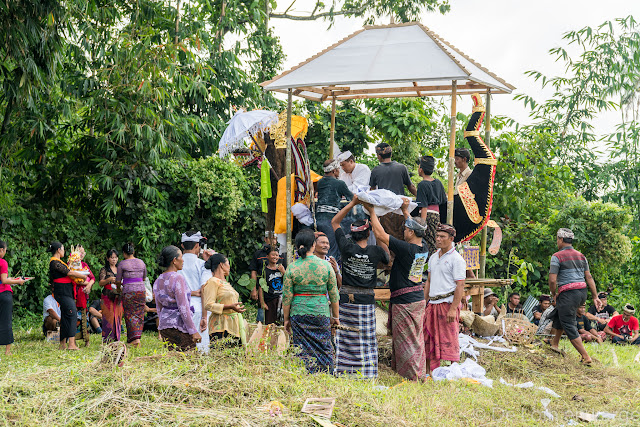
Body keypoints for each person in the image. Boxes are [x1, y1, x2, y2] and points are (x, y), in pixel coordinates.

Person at [362, 198, 428, 381]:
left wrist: (372, 212)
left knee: (407, 342)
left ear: (412, 232)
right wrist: (406, 210)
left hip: (406, 302)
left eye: (406, 229)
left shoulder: (407, 249)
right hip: (415, 298)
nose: (403, 230)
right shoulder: (424, 248)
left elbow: (382, 236)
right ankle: (414, 372)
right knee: (414, 339)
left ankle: (412, 376)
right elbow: (413, 226)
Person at [331, 198, 389, 378]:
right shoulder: (376, 251)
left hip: (346, 301)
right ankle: (367, 372)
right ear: (368, 233)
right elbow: (386, 254)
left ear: (352, 234)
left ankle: (344, 371)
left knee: (346, 338)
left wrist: (352, 203)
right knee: (366, 339)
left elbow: (334, 222)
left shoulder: (346, 247)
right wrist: (372, 213)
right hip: (365, 302)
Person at [283, 230, 339, 374]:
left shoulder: (292, 267)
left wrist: (286, 319)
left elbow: (287, 297)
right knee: (324, 347)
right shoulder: (326, 266)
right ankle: (327, 376)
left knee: (301, 349)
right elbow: (334, 294)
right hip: (321, 313)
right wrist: (336, 317)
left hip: (298, 313)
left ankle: (305, 377)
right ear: (313, 245)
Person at [547, 228, 602, 365]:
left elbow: (552, 280)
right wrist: (595, 296)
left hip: (568, 293)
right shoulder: (581, 256)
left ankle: (586, 357)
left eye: (557, 239)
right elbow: (588, 276)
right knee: (560, 312)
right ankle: (554, 345)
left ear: (560, 239)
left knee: (569, 324)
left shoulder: (557, 256)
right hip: (581, 292)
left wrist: (554, 294)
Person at [424, 224, 467, 376]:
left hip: (447, 303)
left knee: (450, 339)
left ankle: (454, 371)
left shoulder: (457, 259)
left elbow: (460, 285)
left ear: (451, 239)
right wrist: (425, 302)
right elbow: (428, 281)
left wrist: (454, 308)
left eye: (442, 237)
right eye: (437, 236)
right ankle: (429, 372)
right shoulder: (434, 257)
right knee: (428, 337)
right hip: (433, 303)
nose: (438, 239)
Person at [153, 246, 201, 352]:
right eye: (181, 257)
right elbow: (183, 307)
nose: (183, 260)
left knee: (173, 359)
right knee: (190, 359)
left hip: (165, 326)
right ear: (174, 260)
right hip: (178, 325)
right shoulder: (177, 278)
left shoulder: (158, 280)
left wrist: (162, 326)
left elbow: (159, 307)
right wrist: (193, 331)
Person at [369, 143, 417, 248]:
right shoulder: (401, 168)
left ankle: (387, 263)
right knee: (401, 239)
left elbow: (372, 192)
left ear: (379, 156)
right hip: (400, 210)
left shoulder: (376, 170)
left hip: (384, 211)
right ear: (391, 154)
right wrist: (421, 199)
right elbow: (411, 187)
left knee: (385, 240)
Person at [48, 241, 88, 350]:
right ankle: (71, 343)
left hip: (66, 291)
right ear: (58, 250)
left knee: (66, 316)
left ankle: (62, 344)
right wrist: (82, 276)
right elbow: (69, 273)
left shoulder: (59, 261)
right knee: (72, 314)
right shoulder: (54, 262)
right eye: (63, 249)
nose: (64, 251)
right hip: (62, 291)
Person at [201, 254, 247, 347]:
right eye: (228, 263)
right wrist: (230, 307)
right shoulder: (212, 281)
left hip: (233, 326)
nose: (229, 266)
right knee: (222, 356)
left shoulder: (226, 283)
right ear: (222, 265)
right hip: (220, 327)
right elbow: (208, 305)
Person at [179, 230, 213, 353]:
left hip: (179, 308)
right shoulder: (202, 265)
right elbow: (204, 289)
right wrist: (205, 316)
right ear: (197, 245)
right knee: (201, 348)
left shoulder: (175, 263)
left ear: (182, 245)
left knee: (183, 348)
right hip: (199, 308)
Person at [316, 158, 353, 260]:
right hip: (331, 221)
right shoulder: (340, 184)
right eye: (338, 169)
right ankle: (332, 273)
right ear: (334, 171)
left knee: (321, 249)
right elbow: (352, 198)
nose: (339, 171)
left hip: (318, 219)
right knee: (331, 251)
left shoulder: (320, 183)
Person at [116, 242, 148, 347]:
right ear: (133, 251)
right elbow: (144, 278)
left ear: (124, 253)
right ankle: (134, 338)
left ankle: (135, 340)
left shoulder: (122, 263)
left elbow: (118, 280)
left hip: (128, 291)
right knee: (139, 314)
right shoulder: (141, 262)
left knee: (129, 314)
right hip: (141, 291)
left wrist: (118, 289)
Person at [249, 233, 285, 324]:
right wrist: (253, 289)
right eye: (270, 238)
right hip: (265, 293)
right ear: (265, 239)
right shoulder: (258, 254)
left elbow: (287, 277)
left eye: (275, 239)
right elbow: (254, 271)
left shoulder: (281, 254)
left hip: (279, 295)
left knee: (279, 319)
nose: (273, 241)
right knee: (263, 318)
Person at [415, 155, 447, 255]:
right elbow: (443, 202)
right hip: (437, 217)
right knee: (434, 242)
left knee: (427, 244)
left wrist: (422, 226)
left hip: (427, 217)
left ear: (421, 169)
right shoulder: (438, 183)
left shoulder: (422, 185)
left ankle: (429, 266)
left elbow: (424, 207)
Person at [0, 241, 25, 355]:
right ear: (1, 250)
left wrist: (11, 280)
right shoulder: (3, 262)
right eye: (5, 250)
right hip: (3, 294)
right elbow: (4, 281)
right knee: (6, 320)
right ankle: (7, 351)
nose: (5, 252)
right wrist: (18, 281)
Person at [98, 249, 123, 343]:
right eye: (112, 257)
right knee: (108, 316)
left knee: (118, 316)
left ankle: (117, 338)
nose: (114, 259)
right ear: (107, 258)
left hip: (118, 294)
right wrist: (109, 279)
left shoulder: (119, 269)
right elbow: (100, 283)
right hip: (107, 295)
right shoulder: (104, 269)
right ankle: (108, 339)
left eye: (116, 257)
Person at [258, 245, 286, 325]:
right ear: (267, 256)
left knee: (281, 323)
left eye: (277, 255)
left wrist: (283, 271)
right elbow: (260, 287)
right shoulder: (264, 270)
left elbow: (288, 281)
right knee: (270, 324)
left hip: (281, 300)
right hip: (270, 300)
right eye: (273, 255)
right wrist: (262, 302)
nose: (275, 257)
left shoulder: (281, 268)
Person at [75, 246, 95, 346]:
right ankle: (72, 340)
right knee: (74, 317)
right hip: (74, 294)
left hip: (83, 294)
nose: (81, 254)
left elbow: (92, 278)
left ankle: (86, 340)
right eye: (79, 252)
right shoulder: (72, 265)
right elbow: (75, 279)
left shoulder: (84, 265)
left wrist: (89, 285)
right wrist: (86, 283)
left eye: (83, 252)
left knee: (85, 317)